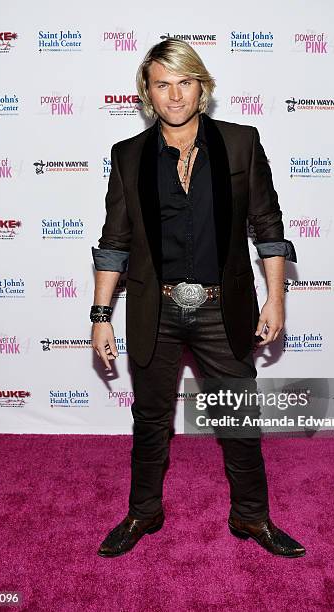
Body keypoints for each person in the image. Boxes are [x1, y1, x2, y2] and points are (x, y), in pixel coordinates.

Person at [90, 38, 305, 558]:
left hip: (220, 307)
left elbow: (268, 228)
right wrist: (100, 316)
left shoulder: (240, 143)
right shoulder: (128, 155)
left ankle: (252, 518)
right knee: (150, 419)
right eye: (162, 84)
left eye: (184, 82)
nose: (175, 95)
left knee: (238, 418)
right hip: (154, 308)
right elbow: (114, 242)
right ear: (147, 93)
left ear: (202, 88)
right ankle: (144, 511)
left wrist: (275, 300)